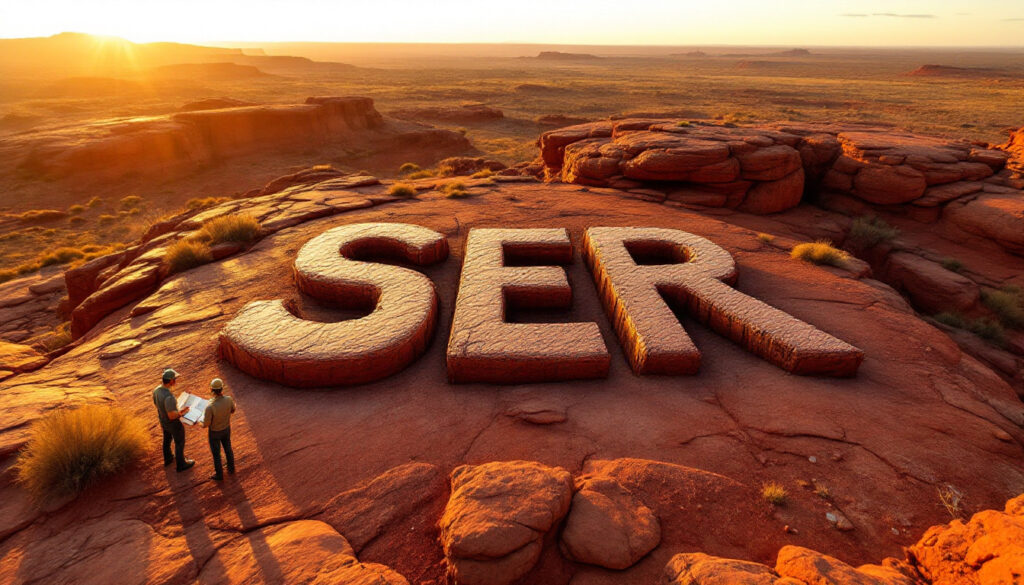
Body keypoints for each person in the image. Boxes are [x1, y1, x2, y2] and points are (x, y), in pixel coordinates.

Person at [152, 368, 195, 472]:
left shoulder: (156, 390)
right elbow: (172, 416)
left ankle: (168, 459)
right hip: (172, 423)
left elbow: (157, 406)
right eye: (175, 379)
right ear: (171, 380)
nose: (176, 380)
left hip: (163, 421)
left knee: (167, 440)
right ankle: (181, 464)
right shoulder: (169, 396)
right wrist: (181, 412)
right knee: (179, 442)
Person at [202, 378, 236, 481]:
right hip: (226, 429)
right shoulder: (229, 399)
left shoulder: (210, 407)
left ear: (211, 389)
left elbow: (206, 424)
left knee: (216, 454)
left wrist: (200, 423)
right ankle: (231, 468)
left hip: (215, 433)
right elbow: (233, 410)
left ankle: (219, 475)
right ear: (222, 388)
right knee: (228, 448)